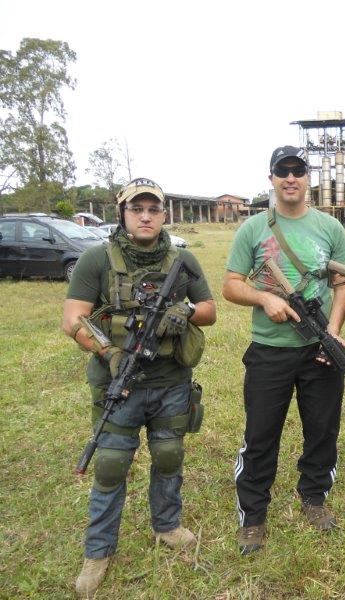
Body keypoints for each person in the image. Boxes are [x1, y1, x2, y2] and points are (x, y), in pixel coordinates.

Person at [62, 178, 217, 597]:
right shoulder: (97, 259)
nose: (145, 216)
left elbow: (210, 310)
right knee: (111, 464)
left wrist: (182, 311)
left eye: (153, 208)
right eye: (137, 209)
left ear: (164, 214)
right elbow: (74, 318)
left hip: (171, 381)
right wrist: (108, 351)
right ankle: (98, 552)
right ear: (123, 214)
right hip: (119, 380)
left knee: (169, 454)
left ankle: (167, 526)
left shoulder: (181, 259)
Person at [222, 146, 345, 555]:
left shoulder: (330, 228)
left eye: (298, 170)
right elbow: (231, 284)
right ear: (272, 178)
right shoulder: (253, 229)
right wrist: (265, 300)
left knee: (322, 430)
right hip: (269, 351)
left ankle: (313, 497)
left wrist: (332, 331)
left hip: (319, 348)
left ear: (307, 177)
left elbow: (342, 284)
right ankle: (254, 517)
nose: (291, 178)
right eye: (283, 171)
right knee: (260, 436)